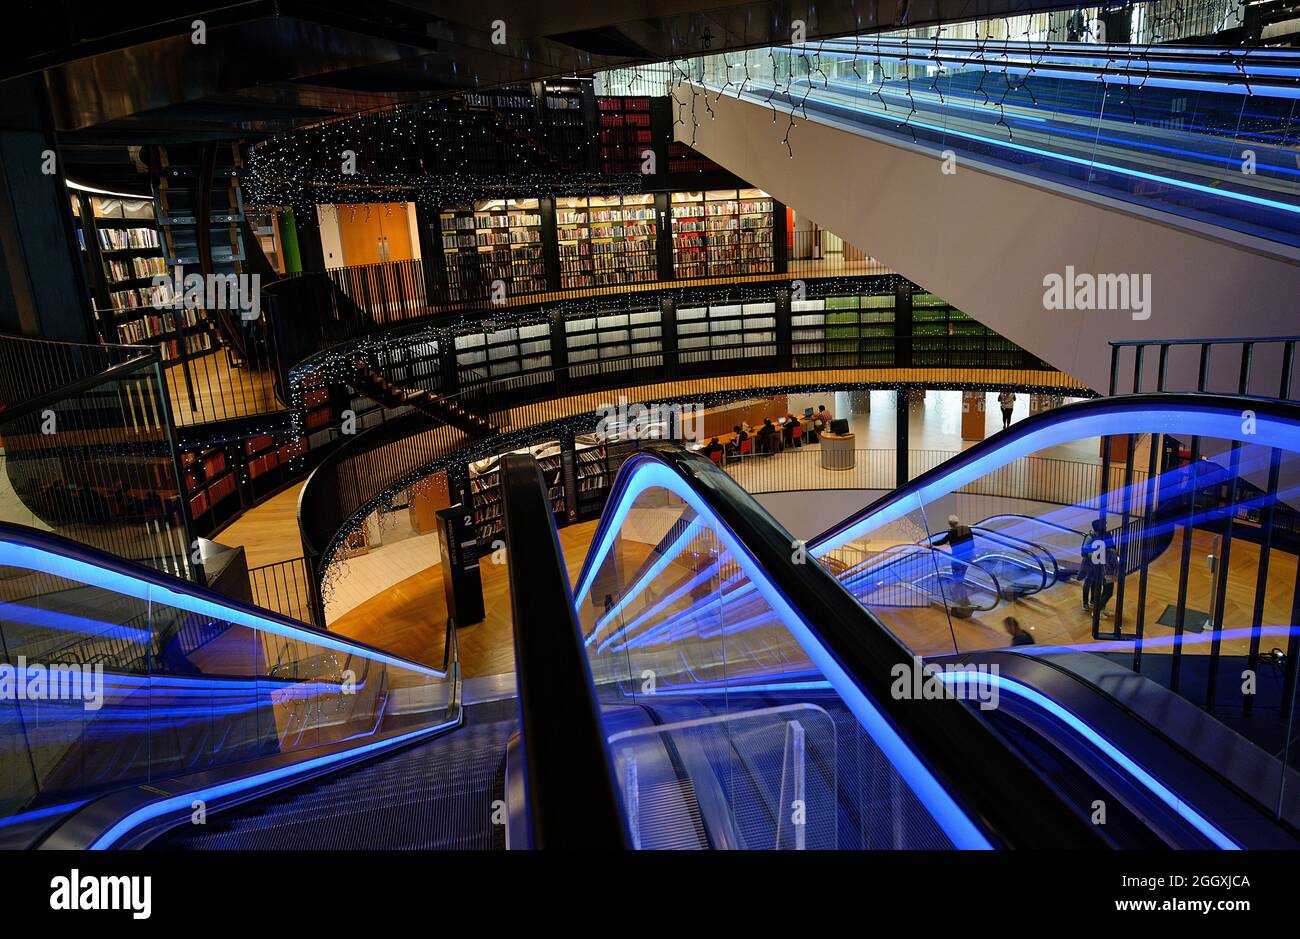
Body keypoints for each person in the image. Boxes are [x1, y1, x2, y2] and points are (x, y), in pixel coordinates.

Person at [932, 514, 975, 597]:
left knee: (956, 571)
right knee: (962, 571)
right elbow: (971, 541)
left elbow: (942, 541)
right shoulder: (967, 528)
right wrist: (973, 552)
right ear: (957, 522)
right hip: (968, 554)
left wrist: (931, 544)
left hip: (958, 556)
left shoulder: (952, 532)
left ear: (950, 523)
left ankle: (959, 590)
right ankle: (960, 591)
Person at [1080, 519, 1115, 614]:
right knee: (1089, 582)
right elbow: (1084, 552)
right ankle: (1087, 603)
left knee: (1097, 584)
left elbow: (1111, 548)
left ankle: (1096, 603)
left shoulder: (1105, 535)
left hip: (1103, 566)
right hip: (1092, 565)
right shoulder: (1091, 537)